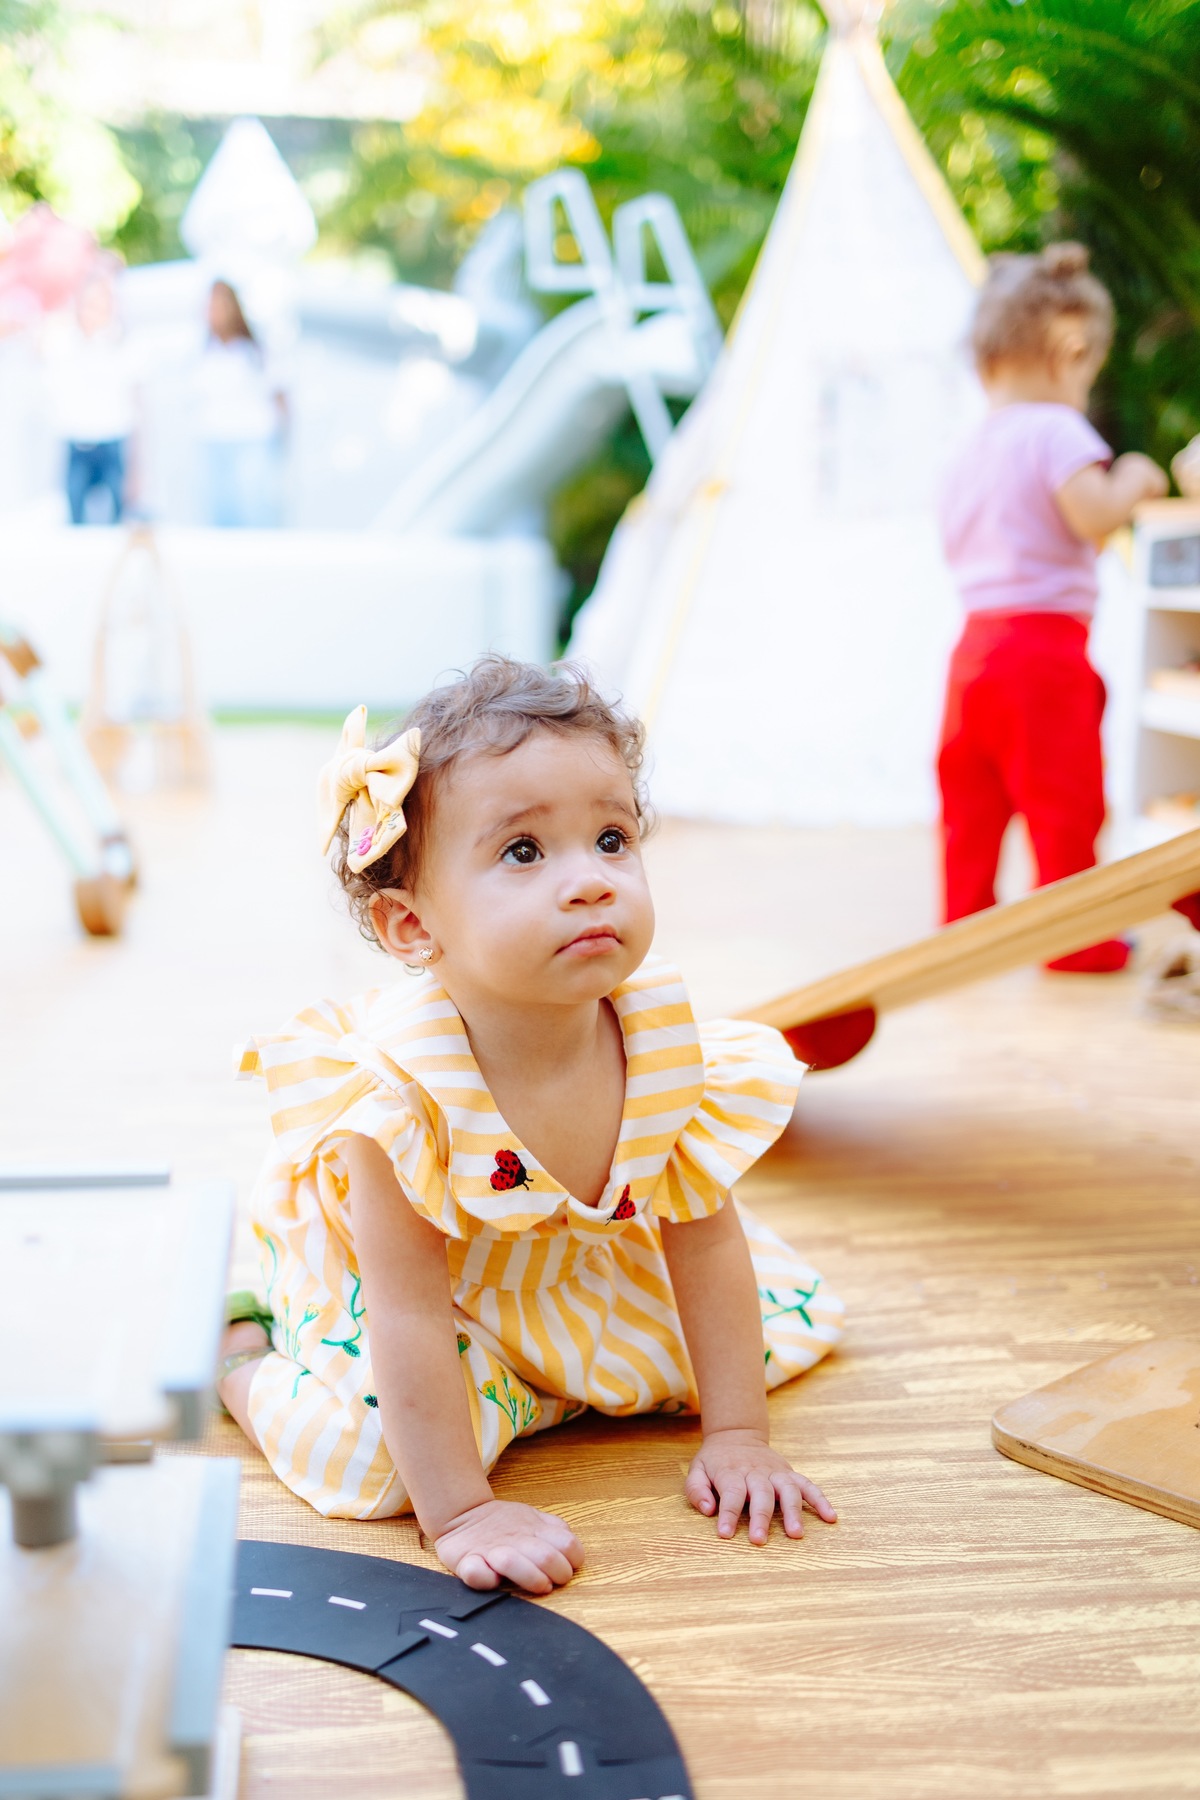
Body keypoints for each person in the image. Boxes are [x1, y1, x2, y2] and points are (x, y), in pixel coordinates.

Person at [219, 657, 843, 1594]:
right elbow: (410, 1312)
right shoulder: (396, 1100)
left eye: (611, 838)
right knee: (379, 1466)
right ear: (410, 927)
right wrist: (462, 1512)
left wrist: (738, 1436)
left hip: (571, 1262)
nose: (591, 880)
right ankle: (235, 1356)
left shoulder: (661, 1043)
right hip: (426, 1295)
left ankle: (550, 1372)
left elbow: (706, 1242)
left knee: (772, 1334)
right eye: (524, 852)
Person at [937, 242, 1169, 970]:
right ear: (1071, 351)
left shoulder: (969, 446)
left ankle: (964, 925)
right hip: (1043, 654)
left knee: (972, 804)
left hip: (973, 653)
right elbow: (1090, 514)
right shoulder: (1056, 430)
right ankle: (1076, 938)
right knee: (1063, 797)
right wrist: (1134, 477)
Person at [43, 266, 139, 525]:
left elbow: (135, 405)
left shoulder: (122, 345)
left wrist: (137, 472)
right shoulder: (63, 343)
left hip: (112, 444)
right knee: (76, 525)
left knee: (116, 526)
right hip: (77, 443)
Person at [195, 279, 287, 528]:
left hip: (251, 440)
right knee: (222, 512)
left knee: (254, 510)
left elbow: (279, 395)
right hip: (216, 440)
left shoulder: (255, 351)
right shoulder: (203, 351)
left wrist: (283, 440)